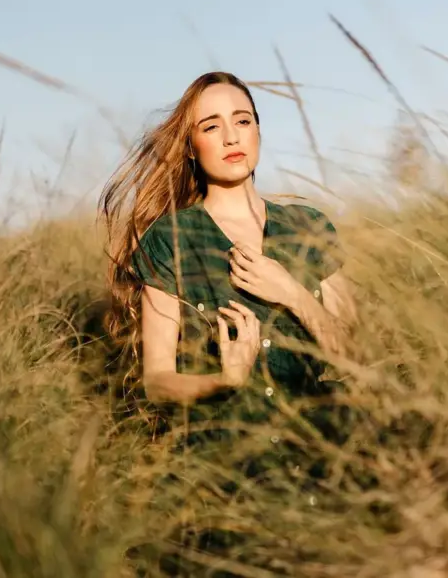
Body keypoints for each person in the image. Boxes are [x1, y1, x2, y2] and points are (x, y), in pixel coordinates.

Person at [98, 71, 358, 571]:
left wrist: (293, 294)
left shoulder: (310, 227)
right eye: (211, 126)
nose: (232, 136)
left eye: (242, 120)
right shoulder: (170, 240)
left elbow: (352, 352)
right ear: (192, 147)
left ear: (259, 129)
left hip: (316, 470)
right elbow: (157, 380)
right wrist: (223, 379)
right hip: (222, 482)